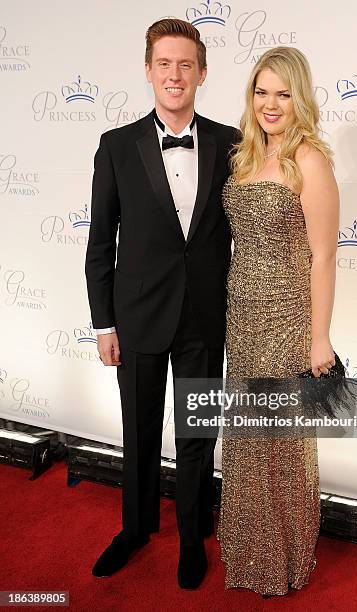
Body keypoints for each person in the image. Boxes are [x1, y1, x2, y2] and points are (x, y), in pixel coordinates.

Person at [85, 18, 238, 589]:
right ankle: (136, 528)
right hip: (138, 315)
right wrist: (103, 323)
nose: (175, 75)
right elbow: (100, 242)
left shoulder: (231, 143)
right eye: (164, 64)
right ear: (148, 70)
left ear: (202, 72)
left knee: (197, 430)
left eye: (186, 65)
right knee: (140, 429)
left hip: (203, 316)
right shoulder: (116, 146)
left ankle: (193, 535)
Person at [217, 46, 339, 596]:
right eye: (262, 92)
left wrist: (320, 338)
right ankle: (248, 554)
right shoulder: (243, 156)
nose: (271, 104)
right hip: (241, 316)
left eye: (283, 93)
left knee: (281, 441)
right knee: (246, 435)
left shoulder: (309, 159)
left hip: (286, 320)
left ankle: (284, 560)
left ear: (300, 98)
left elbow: (324, 255)